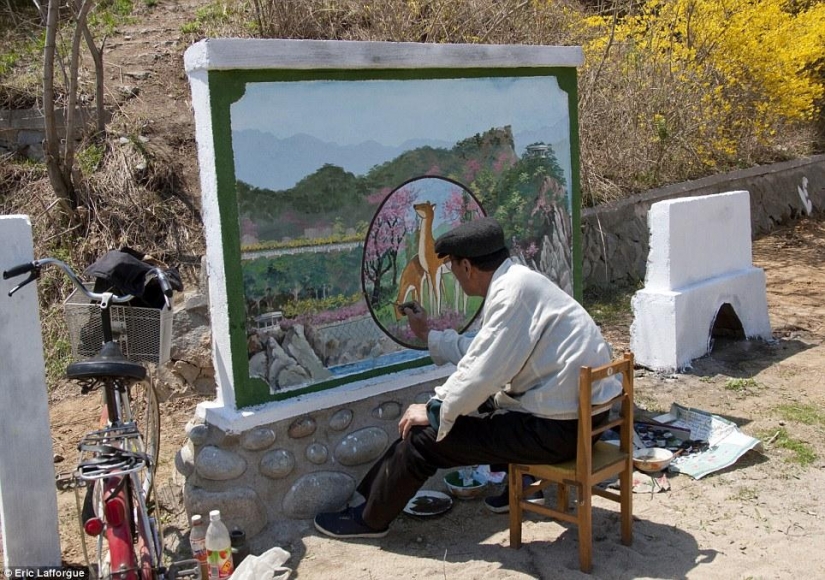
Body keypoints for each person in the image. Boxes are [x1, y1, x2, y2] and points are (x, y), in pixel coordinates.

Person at [314, 217, 622, 539]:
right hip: (585, 422)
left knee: (424, 439)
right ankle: (524, 487)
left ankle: (369, 520)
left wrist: (435, 408)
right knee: (489, 408)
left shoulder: (511, 294)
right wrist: (430, 336)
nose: (455, 279)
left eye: (451, 270)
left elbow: (481, 373)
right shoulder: (520, 281)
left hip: (557, 432)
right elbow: (483, 352)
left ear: (466, 267)